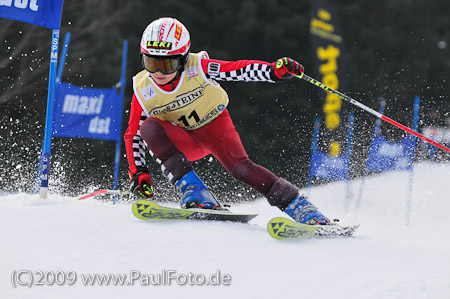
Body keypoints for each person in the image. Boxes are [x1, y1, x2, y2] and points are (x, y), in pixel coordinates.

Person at [124, 17, 330, 225]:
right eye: (151, 63)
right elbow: (132, 134)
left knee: (242, 169)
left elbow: (236, 69)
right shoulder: (143, 89)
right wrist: (138, 172)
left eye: (167, 65)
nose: (158, 73)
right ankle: (195, 191)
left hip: (214, 127)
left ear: (183, 59)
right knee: (148, 127)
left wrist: (272, 71)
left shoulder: (199, 67)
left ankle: (301, 208)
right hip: (184, 140)